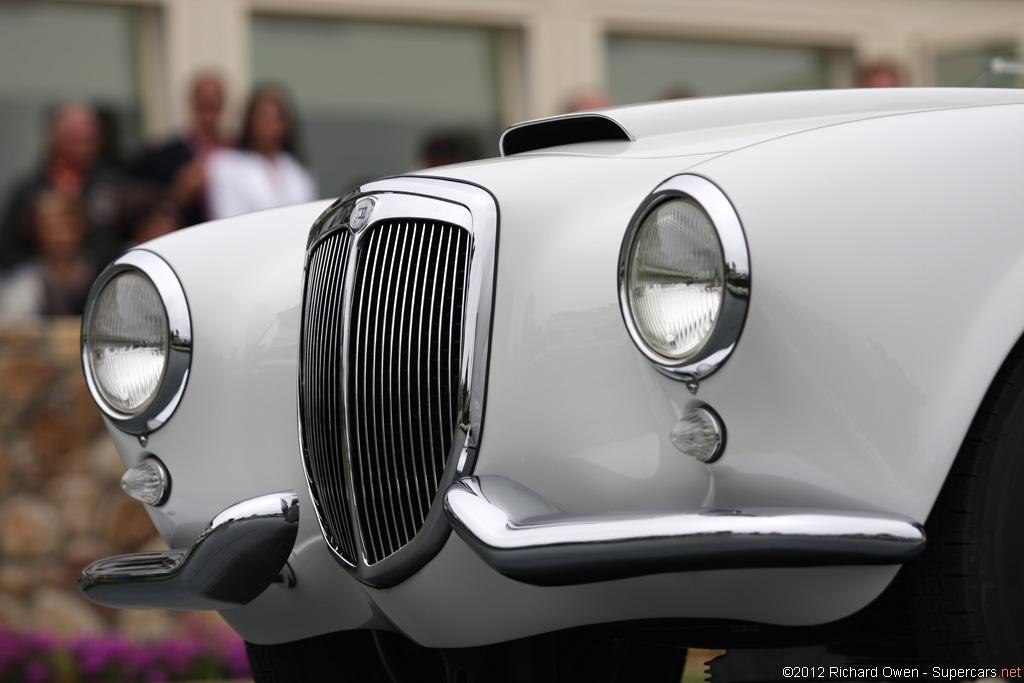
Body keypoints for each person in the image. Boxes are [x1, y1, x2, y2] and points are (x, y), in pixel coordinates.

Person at [0, 103, 123, 273]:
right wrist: (45, 272)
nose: (85, 146)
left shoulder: (115, 184)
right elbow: (8, 249)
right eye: (76, 139)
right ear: (53, 137)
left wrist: (93, 265)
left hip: (105, 284)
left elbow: (127, 240)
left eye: (90, 139)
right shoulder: (27, 191)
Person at [205, 86, 315, 220]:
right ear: (249, 119)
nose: (271, 124)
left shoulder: (296, 167)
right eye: (265, 115)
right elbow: (230, 220)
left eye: (278, 117)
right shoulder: (226, 165)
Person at [135, 73, 228, 227]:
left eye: (213, 103)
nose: (209, 112)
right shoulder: (162, 157)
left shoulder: (239, 151)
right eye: (203, 104)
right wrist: (180, 191)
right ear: (193, 104)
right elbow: (154, 212)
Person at [0, 191, 96, 318]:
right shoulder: (23, 284)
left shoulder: (97, 272)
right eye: (51, 230)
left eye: (66, 227)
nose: (60, 237)